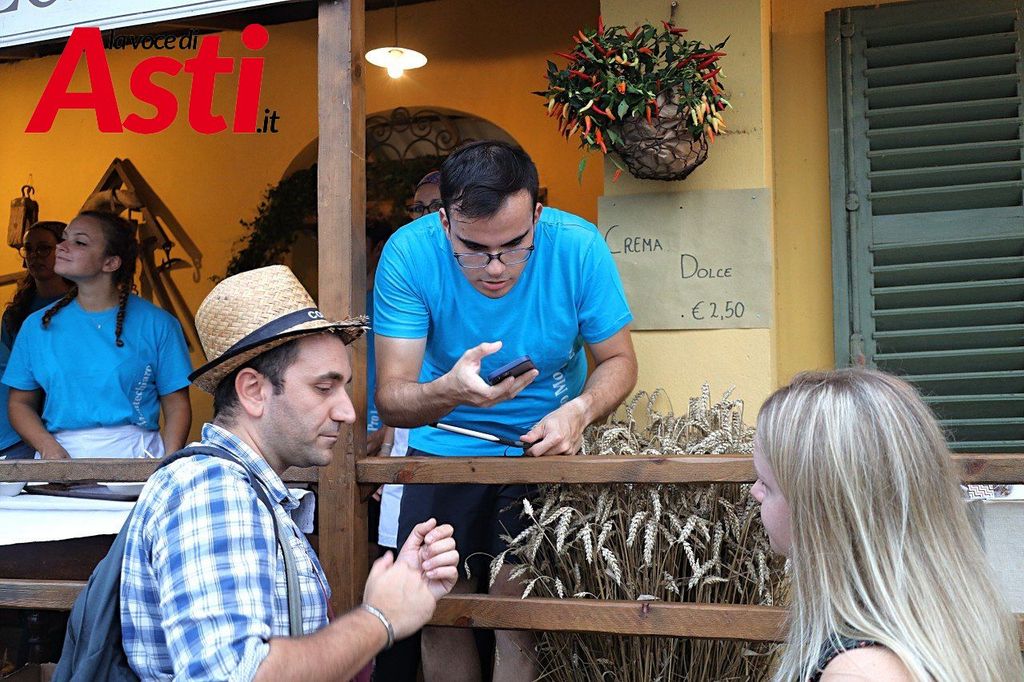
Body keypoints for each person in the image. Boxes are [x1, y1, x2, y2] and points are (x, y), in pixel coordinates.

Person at [373, 141, 637, 681]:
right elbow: (392, 398)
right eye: (472, 249)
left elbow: (620, 361)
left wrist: (581, 411)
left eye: (515, 246)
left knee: (517, 613)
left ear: (538, 215)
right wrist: (449, 390)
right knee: (439, 610)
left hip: (541, 447)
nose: (495, 268)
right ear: (443, 222)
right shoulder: (408, 252)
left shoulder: (578, 245)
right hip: (440, 446)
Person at [121, 265, 459, 681]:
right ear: (253, 390)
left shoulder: (246, 490)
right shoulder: (213, 491)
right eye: (324, 388)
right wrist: (379, 619)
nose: (347, 411)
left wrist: (395, 598)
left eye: (344, 387)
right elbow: (238, 675)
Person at [751, 368, 1024, 682]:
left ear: (823, 508)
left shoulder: (860, 672)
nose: (754, 491)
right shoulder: (952, 620)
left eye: (766, 483)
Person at [3, 211, 192, 459]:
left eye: (79, 242)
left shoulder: (159, 324)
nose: (62, 247)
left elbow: (176, 404)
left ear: (110, 263)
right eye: (64, 238)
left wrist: (168, 462)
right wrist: (48, 447)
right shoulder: (36, 326)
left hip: (138, 456)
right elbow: (19, 403)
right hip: (59, 460)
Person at [0, 220, 71, 460]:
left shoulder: (82, 307)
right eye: (28, 249)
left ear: (64, 250)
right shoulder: (16, 313)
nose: (34, 256)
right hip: (24, 414)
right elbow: (10, 372)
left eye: (43, 249)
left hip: (65, 413)